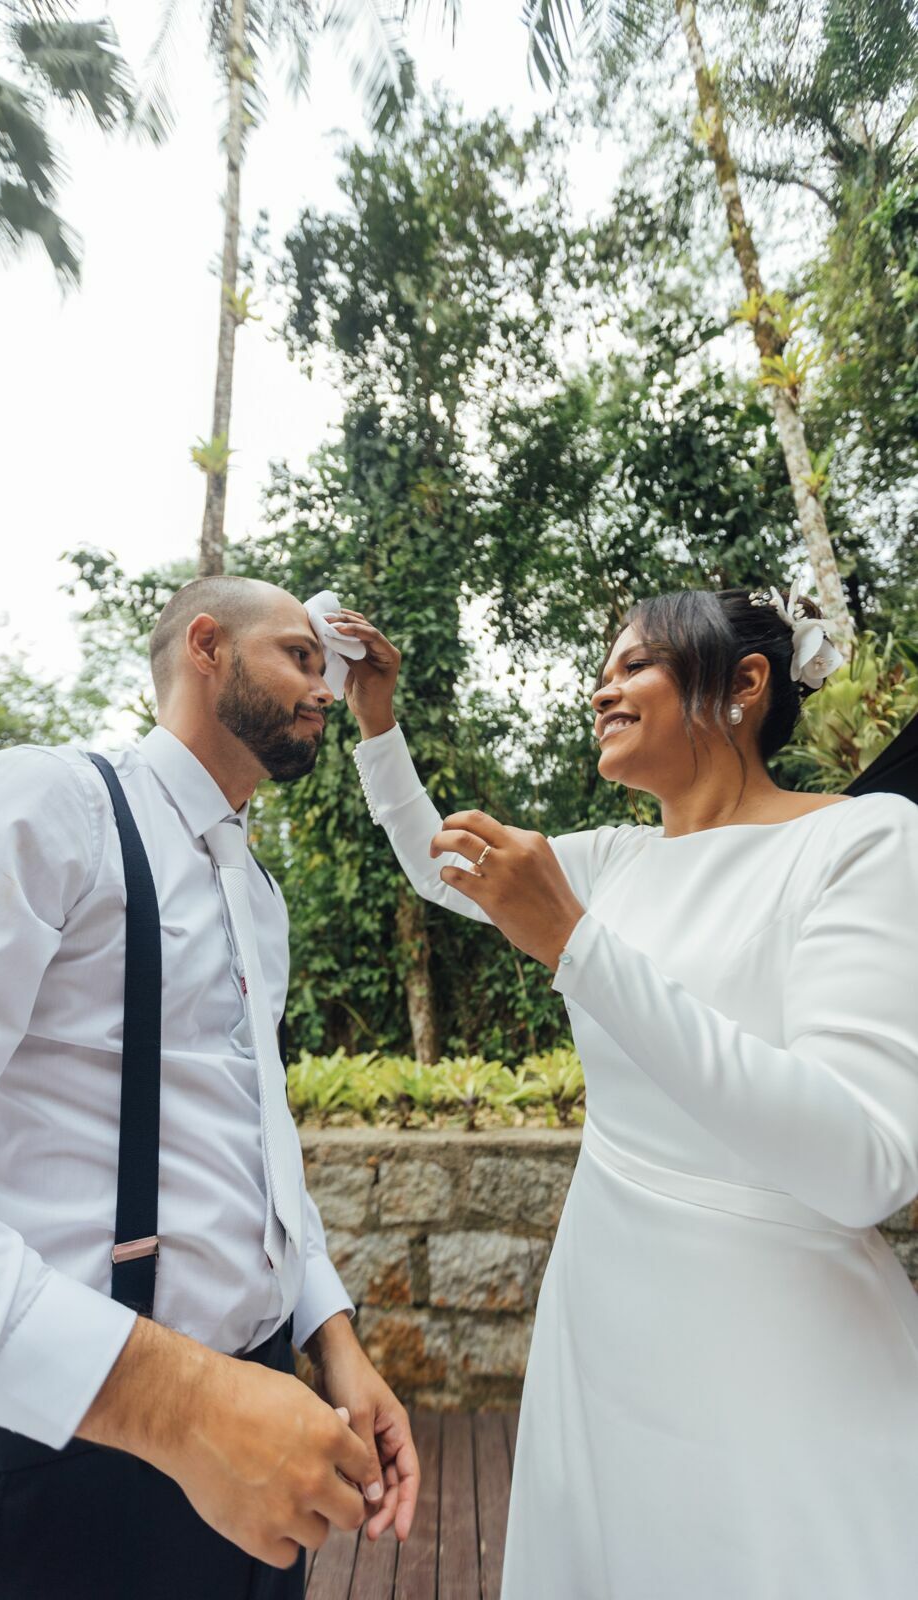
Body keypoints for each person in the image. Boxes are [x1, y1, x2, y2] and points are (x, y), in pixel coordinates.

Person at [337, 583, 918, 1600]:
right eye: (602, 667)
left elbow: (861, 1162)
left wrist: (574, 946)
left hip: (778, 1351)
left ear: (742, 684)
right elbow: (441, 871)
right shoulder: (609, 864)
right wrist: (376, 722)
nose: (602, 686)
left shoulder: (860, 843)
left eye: (635, 663)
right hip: (602, 1325)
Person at [0, 576, 419, 1600]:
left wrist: (329, 1336)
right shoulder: (47, 805)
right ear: (206, 646)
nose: (324, 688)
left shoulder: (255, 893)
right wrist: (178, 1407)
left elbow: (252, 1142)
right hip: (42, 1480)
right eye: (298, 655)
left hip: (249, 1469)